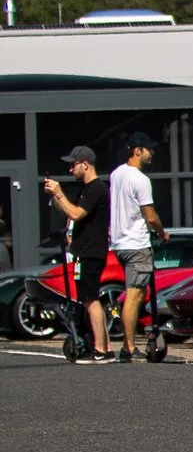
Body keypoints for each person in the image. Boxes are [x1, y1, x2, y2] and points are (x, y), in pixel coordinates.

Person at [42, 146, 113, 362]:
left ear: (85, 164)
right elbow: (69, 212)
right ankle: (104, 347)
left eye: (74, 164)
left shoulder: (97, 188)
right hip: (83, 250)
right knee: (87, 299)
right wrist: (55, 197)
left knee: (91, 299)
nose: (71, 169)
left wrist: (59, 192)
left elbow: (76, 213)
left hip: (92, 250)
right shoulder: (86, 189)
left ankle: (101, 350)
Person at [107, 133, 165, 361]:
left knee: (138, 293)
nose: (152, 153)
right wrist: (162, 233)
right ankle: (128, 347)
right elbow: (150, 216)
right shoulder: (141, 180)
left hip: (119, 243)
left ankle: (129, 344)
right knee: (134, 295)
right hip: (136, 244)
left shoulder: (116, 174)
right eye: (149, 149)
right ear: (137, 150)